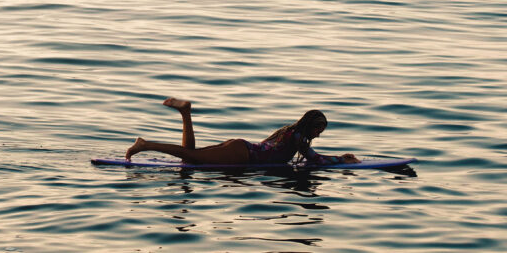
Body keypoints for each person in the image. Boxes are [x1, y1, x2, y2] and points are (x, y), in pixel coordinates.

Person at [125, 98, 359, 165]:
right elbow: (315, 159)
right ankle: (145, 145)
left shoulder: (288, 131)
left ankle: (186, 113)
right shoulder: (298, 138)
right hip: (242, 154)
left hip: (241, 147)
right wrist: (343, 160)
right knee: (192, 158)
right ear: (313, 126)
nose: (319, 134)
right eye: (320, 130)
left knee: (190, 157)